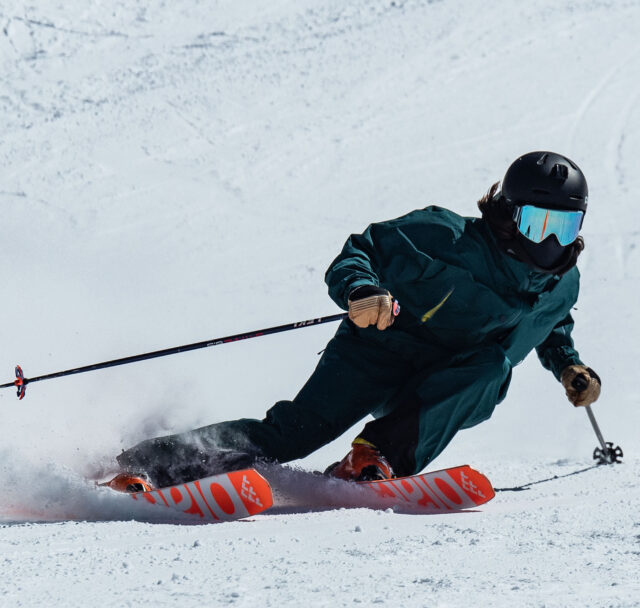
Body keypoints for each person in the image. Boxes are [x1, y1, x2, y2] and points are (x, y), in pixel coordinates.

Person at [107, 151, 601, 492]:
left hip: (441, 384)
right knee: (289, 437)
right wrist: (362, 293)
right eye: (540, 224)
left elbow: (552, 324)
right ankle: (142, 468)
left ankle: (374, 457)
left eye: (566, 226)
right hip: (376, 352)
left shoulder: (562, 283)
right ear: (509, 214)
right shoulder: (443, 238)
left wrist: (567, 367)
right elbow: (359, 252)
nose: (552, 243)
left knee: (493, 367)